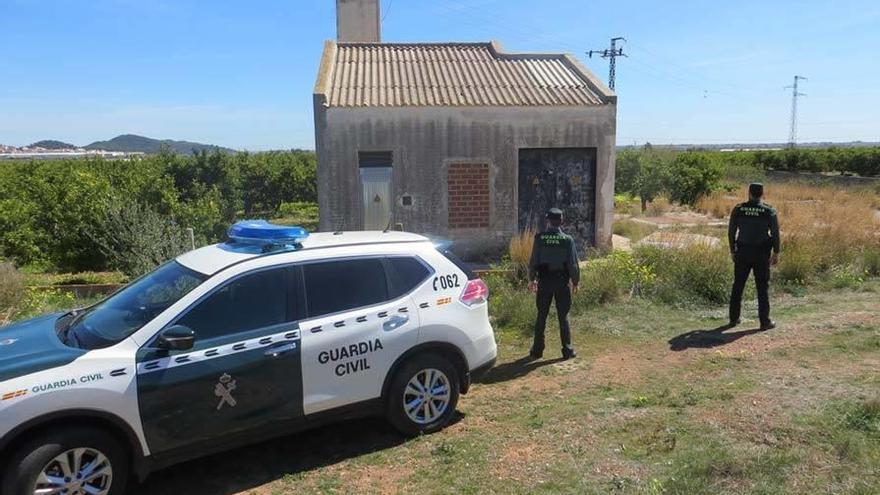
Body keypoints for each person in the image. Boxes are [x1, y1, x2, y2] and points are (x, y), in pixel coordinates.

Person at [528, 208, 580, 360]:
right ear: (561, 221)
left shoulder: (539, 238)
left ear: (548, 220)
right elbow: (573, 265)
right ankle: (567, 350)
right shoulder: (567, 240)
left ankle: (537, 351)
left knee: (541, 316)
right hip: (562, 283)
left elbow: (533, 262)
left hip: (544, 282)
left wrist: (532, 279)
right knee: (563, 316)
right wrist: (575, 282)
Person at [727, 182, 780, 330]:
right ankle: (765, 322)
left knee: (738, 285)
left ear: (749, 193)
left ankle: (733, 319)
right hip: (761, 254)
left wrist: (732, 250)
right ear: (762, 194)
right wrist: (776, 252)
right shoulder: (769, 211)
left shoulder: (739, 209)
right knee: (762, 288)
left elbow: (731, 232)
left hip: (742, 252)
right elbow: (775, 233)